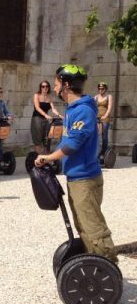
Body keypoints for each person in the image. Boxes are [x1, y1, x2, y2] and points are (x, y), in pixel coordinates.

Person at [35, 64, 117, 263]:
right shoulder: (72, 110)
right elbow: (65, 140)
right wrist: (50, 154)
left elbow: (73, 143)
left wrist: (50, 157)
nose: (54, 89)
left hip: (86, 179)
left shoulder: (83, 111)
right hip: (77, 177)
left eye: (56, 84)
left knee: (93, 226)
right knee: (82, 224)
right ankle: (94, 263)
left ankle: (108, 267)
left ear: (66, 85)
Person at [31, 80, 61, 154]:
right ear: (40, 88)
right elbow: (37, 107)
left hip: (46, 119)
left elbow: (53, 109)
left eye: (46, 86)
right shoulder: (36, 95)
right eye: (43, 86)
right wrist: (46, 115)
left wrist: (59, 115)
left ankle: (47, 157)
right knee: (38, 139)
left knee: (47, 138)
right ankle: (40, 158)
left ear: (48, 88)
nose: (45, 88)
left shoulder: (49, 97)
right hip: (37, 118)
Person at [94, 81, 113, 156]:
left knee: (104, 136)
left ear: (105, 89)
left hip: (105, 118)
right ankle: (97, 152)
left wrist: (106, 115)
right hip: (97, 118)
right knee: (96, 135)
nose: (100, 90)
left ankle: (104, 152)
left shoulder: (109, 96)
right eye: (99, 89)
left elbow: (110, 107)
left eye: (102, 89)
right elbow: (93, 107)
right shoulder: (96, 97)